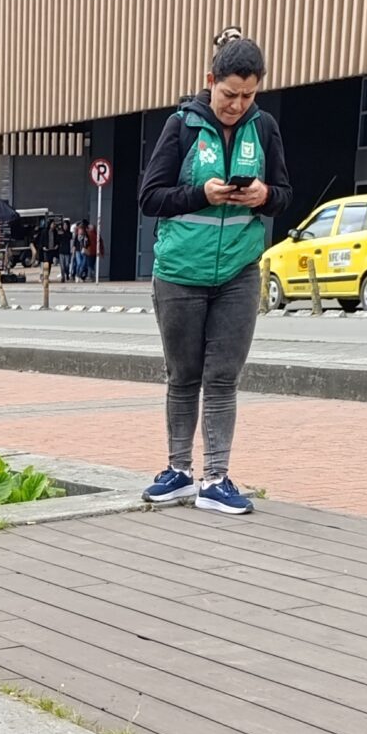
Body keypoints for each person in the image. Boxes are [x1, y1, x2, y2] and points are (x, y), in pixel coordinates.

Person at [137, 29, 292, 517]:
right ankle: (178, 470)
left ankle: (216, 478)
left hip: (239, 273)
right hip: (181, 270)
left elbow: (287, 193)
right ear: (211, 82)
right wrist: (202, 193)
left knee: (223, 378)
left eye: (248, 95)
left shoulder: (264, 128)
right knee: (183, 376)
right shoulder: (181, 126)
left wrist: (264, 196)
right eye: (229, 95)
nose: (237, 105)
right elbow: (149, 197)